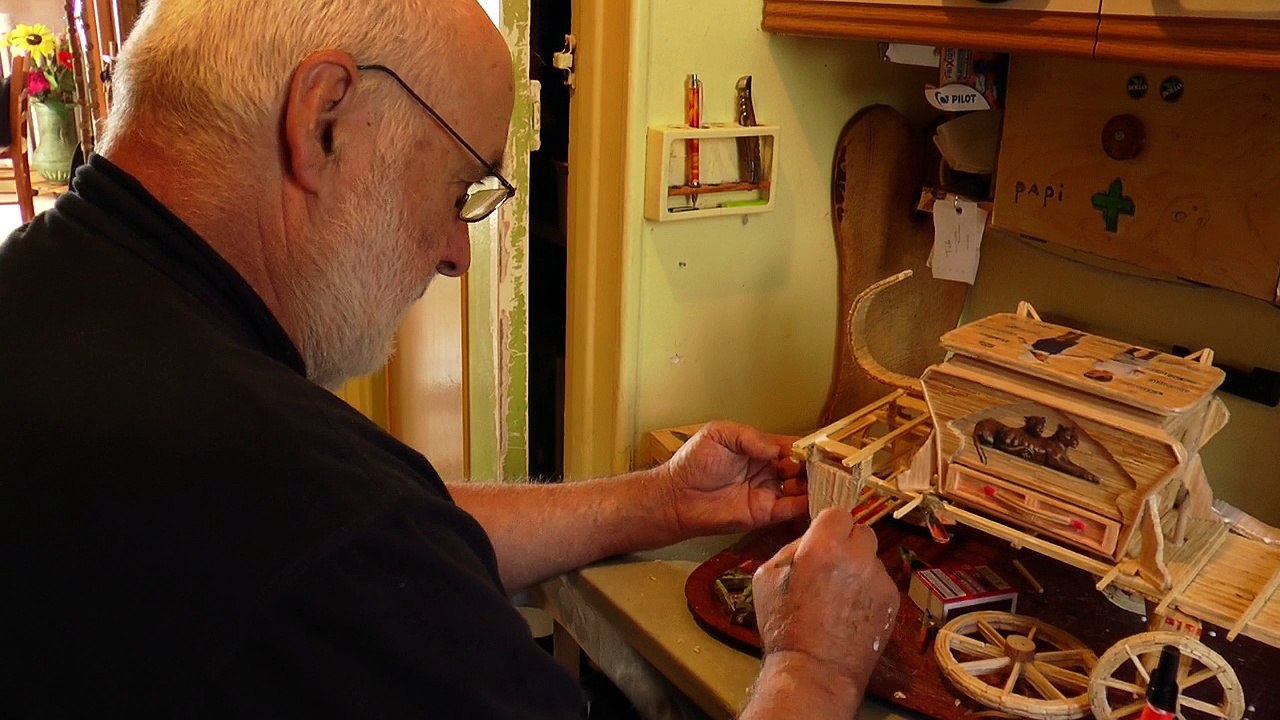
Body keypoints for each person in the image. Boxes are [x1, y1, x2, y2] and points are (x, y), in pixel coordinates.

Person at [0, 1, 898, 718]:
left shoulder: (55, 292)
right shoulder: (307, 517)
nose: (456, 255)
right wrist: (815, 666)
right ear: (324, 121)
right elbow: (354, 540)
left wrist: (660, 499)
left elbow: (395, 535)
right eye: (461, 187)